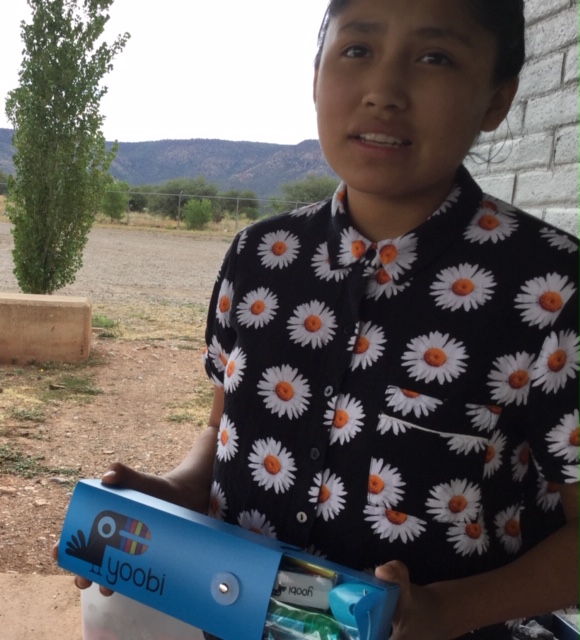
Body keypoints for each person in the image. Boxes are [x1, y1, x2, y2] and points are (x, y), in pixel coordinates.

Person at [54, 1, 580, 638]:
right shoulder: (258, 256)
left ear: (498, 98)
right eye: (357, 50)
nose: (383, 92)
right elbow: (223, 431)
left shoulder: (551, 289)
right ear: (315, 75)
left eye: (434, 57)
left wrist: (445, 611)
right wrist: (177, 493)